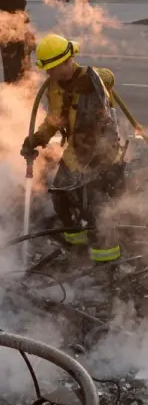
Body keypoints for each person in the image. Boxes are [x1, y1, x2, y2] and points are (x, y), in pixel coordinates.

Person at [21, 34, 128, 265]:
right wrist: (37, 138)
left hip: (102, 153)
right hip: (76, 152)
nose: (55, 72)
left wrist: (93, 78)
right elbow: (54, 120)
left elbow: (109, 77)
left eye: (59, 66)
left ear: (69, 59)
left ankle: (107, 257)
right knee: (61, 196)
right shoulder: (53, 88)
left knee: (97, 207)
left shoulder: (92, 79)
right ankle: (76, 241)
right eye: (50, 69)